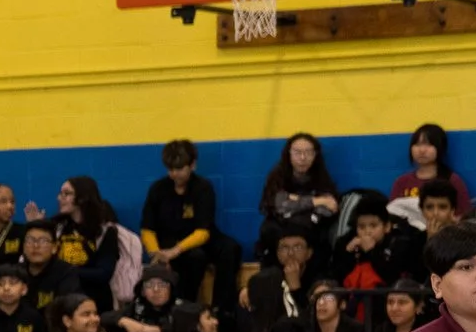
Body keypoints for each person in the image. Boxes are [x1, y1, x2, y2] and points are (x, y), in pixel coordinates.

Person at [140, 138, 243, 311]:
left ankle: (221, 309)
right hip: (169, 240)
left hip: (199, 237)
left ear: (192, 165)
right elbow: (147, 228)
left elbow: (203, 232)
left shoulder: (203, 188)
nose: (174, 174)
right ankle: (185, 307)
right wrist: (155, 253)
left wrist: (176, 251)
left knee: (231, 248)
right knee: (196, 257)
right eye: (170, 169)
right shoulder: (158, 189)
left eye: (179, 169)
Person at [256, 132, 340, 261]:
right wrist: (317, 201)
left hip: (309, 230)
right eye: (297, 152)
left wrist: (296, 202)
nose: (302, 157)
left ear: (315, 155)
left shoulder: (321, 176)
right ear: (288, 154)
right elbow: (281, 206)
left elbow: (330, 208)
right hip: (280, 229)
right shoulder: (277, 175)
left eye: (308, 152)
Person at [54, 174, 123, 304]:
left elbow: (103, 273)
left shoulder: (105, 231)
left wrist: (65, 272)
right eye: (60, 193)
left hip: (94, 300)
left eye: (66, 194)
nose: (60, 198)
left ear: (82, 198)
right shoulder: (57, 227)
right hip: (62, 299)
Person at [388, 124, 470, 213]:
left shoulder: (452, 181)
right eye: (417, 144)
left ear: (440, 148)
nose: (422, 150)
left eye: (428, 144)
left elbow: (463, 216)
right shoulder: (401, 183)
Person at [16, 220, 77, 318]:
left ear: (54, 248)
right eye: (30, 241)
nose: (35, 246)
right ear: (23, 246)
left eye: (43, 241)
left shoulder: (66, 272)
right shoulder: (16, 271)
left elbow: (67, 309)